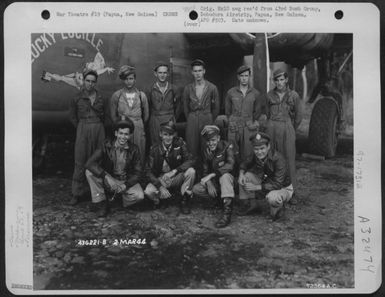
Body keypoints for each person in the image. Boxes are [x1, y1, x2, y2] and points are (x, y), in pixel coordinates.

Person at [85, 118, 144, 217]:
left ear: (130, 135)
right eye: (121, 133)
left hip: (124, 181)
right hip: (109, 179)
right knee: (89, 172)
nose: (123, 137)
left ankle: (118, 199)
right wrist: (106, 177)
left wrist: (126, 185)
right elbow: (89, 163)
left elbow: (138, 173)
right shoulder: (106, 145)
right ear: (116, 133)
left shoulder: (134, 149)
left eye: (126, 134)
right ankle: (101, 202)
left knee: (139, 196)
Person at [68, 69, 106, 205]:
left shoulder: (101, 97)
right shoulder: (76, 97)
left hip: (98, 129)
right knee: (80, 161)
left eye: (93, 81)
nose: (90, 84)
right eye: (88, 81)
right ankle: (76, 194)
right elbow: (72, 116)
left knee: (97, 160)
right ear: (84, 81)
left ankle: (95, 193)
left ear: (96, 83)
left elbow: (105, 116)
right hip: (83, 128)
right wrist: (81, 127)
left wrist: (98, 128)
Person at [264, 69, 303, 197]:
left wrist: (290, 128)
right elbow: (267, 113)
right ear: (274, 81)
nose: (279, 82)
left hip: (287, 127)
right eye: (277, 80)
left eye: (282, 79)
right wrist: (271, 125)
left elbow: (298, 117)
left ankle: (291, 192)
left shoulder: (294, 95)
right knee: (272, 157)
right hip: (272, 127)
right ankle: (273, 189)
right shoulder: (269, 95)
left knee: (289, 159)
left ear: (286, 80)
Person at [238, 132, 293, 220]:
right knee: (246, 176)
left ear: (268, 147)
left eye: (262, 148)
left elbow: (278, 184)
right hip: (266, 182)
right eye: (256, 149)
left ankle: (278, 208)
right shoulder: (255, 155)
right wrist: (241, 174)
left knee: (272, 198)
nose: (259, 152)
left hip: (282, 188)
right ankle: (252, 205)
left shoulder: (279, 159)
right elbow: (244, 164)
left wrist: (256, 187)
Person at [144, 120, 196, 214]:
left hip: (175, 177)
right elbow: (148, 171)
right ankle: (159, 201)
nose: (168, 138)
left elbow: (191, 160)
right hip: (162, 179)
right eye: (165, 134)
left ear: (174, 135)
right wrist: (159, 186)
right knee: (148, 191)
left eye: (171, 134)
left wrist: (175, 171)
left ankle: (184, 199)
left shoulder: (179, 143)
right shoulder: (154, 149)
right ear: (160, 134)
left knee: (191, 171)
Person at [192, 125, 235, 228]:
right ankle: (218, 200)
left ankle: (227, 215)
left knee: (225, 177)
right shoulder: (206, 150)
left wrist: (212, 175)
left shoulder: (227, 147)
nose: (211, 143)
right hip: (215, 181)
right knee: (196, 189)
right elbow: (205, 171)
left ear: (218, 138)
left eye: (213, 140)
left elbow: (230, 165)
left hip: (230, 181)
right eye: (208, 141)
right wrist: (208, 182)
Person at [110, 65, 149, 165]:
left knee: (139, 152)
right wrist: (121, 126)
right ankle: (123, 174)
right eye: (126, 79)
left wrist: (138, 124)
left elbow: (146, 116)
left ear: (135, 79)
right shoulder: (117, 95)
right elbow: (113, 116)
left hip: (138, 128)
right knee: (124, 152)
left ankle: (139, 176)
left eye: (131, 78)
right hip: (123, 128)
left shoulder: (141, 95)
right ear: (123, 80)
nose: (129, 81)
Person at [225, 65, 264, 160]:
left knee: (248, 151)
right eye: (242, 76)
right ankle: (233, 172)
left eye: (246, 76)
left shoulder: (255, 93)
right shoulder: (231, 92)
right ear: (238, 77)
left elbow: (257, 111)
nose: (244, 78)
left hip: (248, 126)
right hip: (235, 126)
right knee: (232, 151)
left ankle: (246, 172)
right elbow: (228, 111)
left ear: (249, 76)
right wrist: (232, 121)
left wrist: (253, 122)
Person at [183, 59, 220, 158]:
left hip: (206, 118)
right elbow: (185, 107)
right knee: (191, 146)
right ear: (192, 72)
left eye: (200, 70)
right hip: (192, 118)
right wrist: (191, 118)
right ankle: (192, 171)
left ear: (204, 71)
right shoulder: (188, 88)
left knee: (207, 145)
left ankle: (205, 171)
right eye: (195, 71)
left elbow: (216, 108)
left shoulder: (212, 88)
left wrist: (209, 118)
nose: (198, 73)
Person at [147, 61, 181, 146]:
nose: (162, 75)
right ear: (155, 74)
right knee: (156, 145)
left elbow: (179, 106)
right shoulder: (150, 89)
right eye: (160, 73)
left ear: (168, 74)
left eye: (165, 73)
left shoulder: (174, 88)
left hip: (169, 119)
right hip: (155, 120)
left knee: (171, 143)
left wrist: (173, 117)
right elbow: (148, 106)